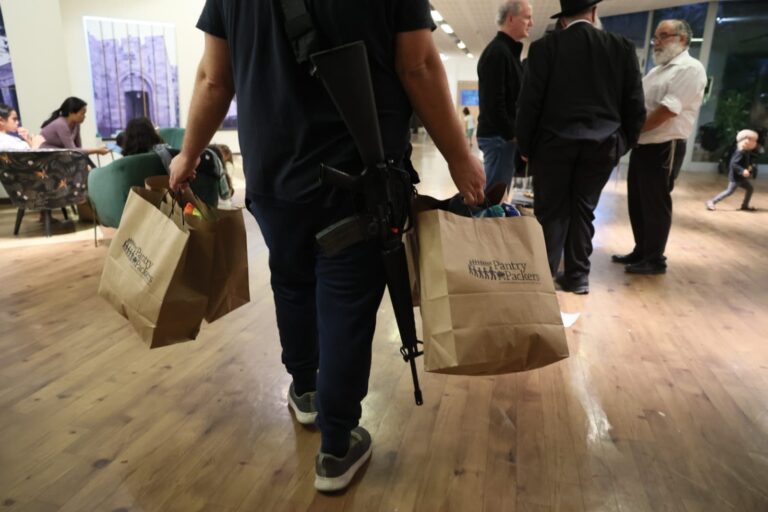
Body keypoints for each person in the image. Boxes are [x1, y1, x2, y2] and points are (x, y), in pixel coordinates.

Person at [168, 0, 485, 492]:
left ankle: (306, 390)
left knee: (291, 281)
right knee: (346, 303)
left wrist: (189, 154)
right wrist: (461, 159)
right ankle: (336, 446)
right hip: (360, 178)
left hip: (274, 177)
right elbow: (418, 64)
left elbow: (215, 78)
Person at [516, 0, 645, 294]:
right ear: (594, 13)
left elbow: (529, 104)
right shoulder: (621, 47)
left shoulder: (544, 48)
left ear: (563, 19)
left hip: (553, 144)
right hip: (603, 143)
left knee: (551, 211)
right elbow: (635, 103)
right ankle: (577, 277)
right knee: (584, 209)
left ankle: (544, 280)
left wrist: (525, 145)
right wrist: (624, 142)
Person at [612, 19, 707, 275]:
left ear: (683, 39)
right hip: (644, 144)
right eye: (656, 36)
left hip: (665, 145)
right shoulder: (658, 71)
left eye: (664, 35)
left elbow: (666, 111)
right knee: (638, 202)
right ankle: (641, 250)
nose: (657, 41)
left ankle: (654, 259)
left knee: (655, 204)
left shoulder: (690, 68)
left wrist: (633, 130)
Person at [476, 0, 533, 193]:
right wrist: (512, 134)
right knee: (492, 200)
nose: (531, 23)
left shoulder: (507, 52)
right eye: (527, 17)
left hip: (501, 138)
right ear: (511, 18)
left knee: (496, 197)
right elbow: (494, 104)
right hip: (498, 139)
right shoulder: (498, 53)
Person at [706, 129, 759, 211]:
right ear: (746, 141)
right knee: (729, 191)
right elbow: (734, 164)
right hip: (735, 177)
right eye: (754, 140)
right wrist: (742, 171)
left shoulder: (746, 151)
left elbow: (745, 162)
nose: (755, 143)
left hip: (741, 178)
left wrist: (749, 168)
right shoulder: (740, 152)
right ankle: (711, 201)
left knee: (750, 188)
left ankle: (745, 205)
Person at [39, 97, 110, 155]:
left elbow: (78, 147)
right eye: (82, 114)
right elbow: (73, 150)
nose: (84, 116)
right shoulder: (61, 124)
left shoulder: (76, 124)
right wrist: (96, 150)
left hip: (60, 154)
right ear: (71, 113)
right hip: (46, 155)